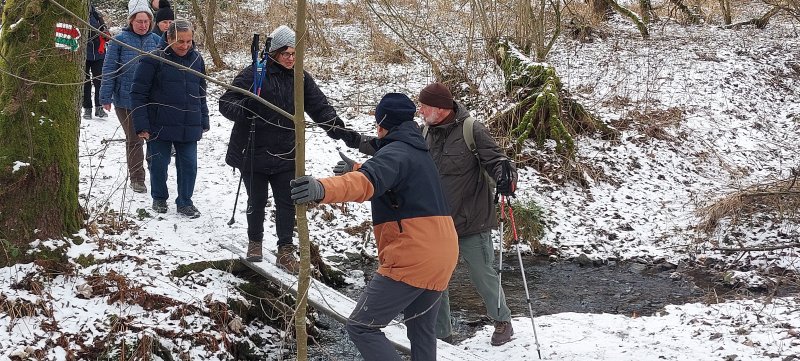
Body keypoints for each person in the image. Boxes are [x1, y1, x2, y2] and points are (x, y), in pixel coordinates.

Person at [290, 93, 458, 361]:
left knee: (361, 327)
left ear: (383, 123)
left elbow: (365, 184)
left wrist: (320, 188)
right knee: (421, 331)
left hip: (414, 255)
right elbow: (388, 179)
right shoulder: (415, 150)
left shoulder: (396, 152)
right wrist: (356, 167)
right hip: (443, 253)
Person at [218, 25, 360, 272]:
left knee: (287, 201)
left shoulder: (300, 77)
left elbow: (320, 107)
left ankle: (285, 250)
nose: (291, 58)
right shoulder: (255, 72)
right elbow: (226, 102)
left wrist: (340, 131)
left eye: (294, 54)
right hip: (253, 150)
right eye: (286, 54)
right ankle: (255, 242)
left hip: (286, 151)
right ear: (274, 53)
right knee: (257, 199)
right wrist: (248, 108)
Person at [417, 82, 518, 346]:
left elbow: (497, 161)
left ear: (440, 109)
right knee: (437, 280)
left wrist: (506, 178)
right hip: (437, 222)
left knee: (483, 273)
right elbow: (401, 154)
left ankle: (503, 321)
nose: (420, 111)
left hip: (472, 220)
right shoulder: (425, 131)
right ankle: (442, 335)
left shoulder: (472, 129)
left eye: (424, 106)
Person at [130, 19, 209, 218]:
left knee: (189, 165)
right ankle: (159, 197)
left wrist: (204, 119)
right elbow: (138, 93)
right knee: (158, 163)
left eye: (189, 41)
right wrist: (142, 125)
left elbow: (201, 92)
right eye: (180, 41)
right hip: (159, 123)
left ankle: (185, 201)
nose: (185, 46)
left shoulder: (196, 60)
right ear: (168, 38)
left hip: (188, 123)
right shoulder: (153, 59)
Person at [100, 1, 161, 194]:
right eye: (139, 21)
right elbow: (109, 69)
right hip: (125, 99)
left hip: (151, 99)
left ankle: (156, 172)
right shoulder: (120, 40)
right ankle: (137, 178)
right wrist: (105, 96)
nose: (143, 25)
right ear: (131, 21)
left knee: (154, 138)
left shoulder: (157, 40)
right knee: (134, 139)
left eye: (146, 21)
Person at [82, 3, 108, 120]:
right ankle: (87, 108)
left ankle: (99, 107)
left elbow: (104, 29)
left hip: (99, 53)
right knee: (85, 82)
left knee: (99, 81)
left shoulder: (97, 14)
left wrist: (105, 34)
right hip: (84, 54)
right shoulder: (80, 13)